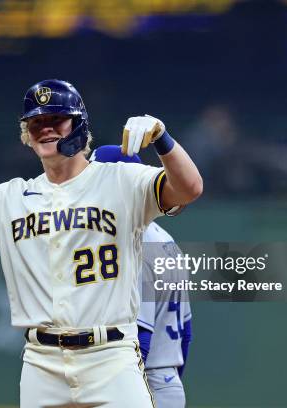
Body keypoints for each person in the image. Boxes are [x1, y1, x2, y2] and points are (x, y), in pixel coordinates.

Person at [0, 79, 202, 407]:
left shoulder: (119, 180)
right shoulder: (9, 198)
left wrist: (163, 141)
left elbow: (189, 188)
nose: (46, 128)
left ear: (79, 125)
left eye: (57, 119)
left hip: (111, 357)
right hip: (42, 363)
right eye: (37, 122)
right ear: (26, 134)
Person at [91, 145, 192, 408]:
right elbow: (186, 334)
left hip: (139, 387)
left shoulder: (130, 244)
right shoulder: (166, 240)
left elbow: (138, 340)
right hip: (166, 383)